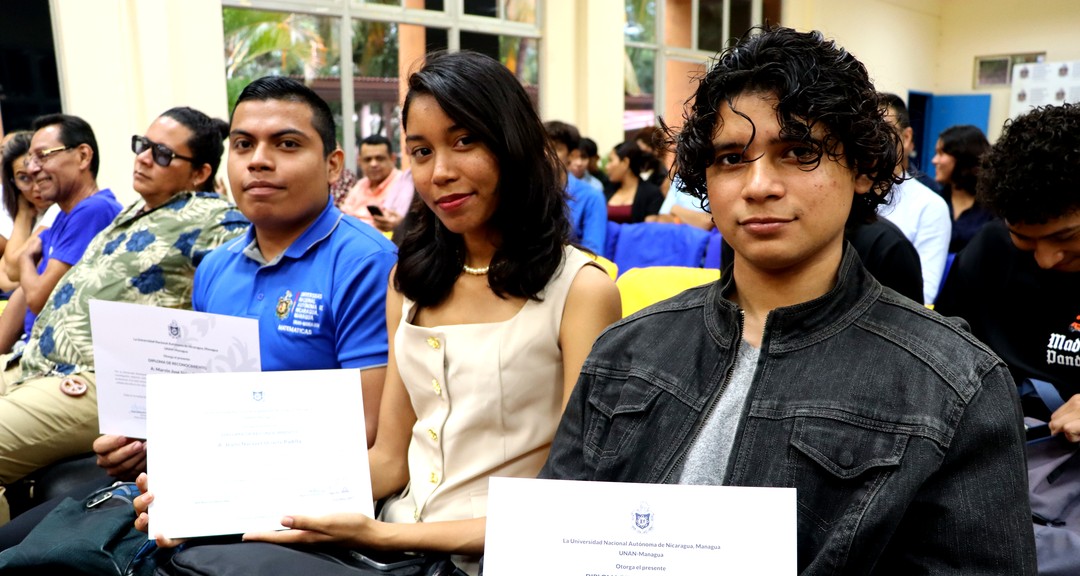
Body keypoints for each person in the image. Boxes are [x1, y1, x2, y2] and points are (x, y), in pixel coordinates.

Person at [540, 26, 1036, 573]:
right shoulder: (626, 352)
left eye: (799, 152)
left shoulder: (953, 387)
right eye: (731, 157)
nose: (758, 185)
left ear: (863, 169)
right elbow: (554, 541)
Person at [135, 51, 620, 576]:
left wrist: (385, 534)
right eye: (421, 150)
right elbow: (388, 460)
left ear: (514, 145)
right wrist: (212, 502)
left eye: (465, 142)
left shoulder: (582, 290)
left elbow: (569, 497)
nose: (441, 172)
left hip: (495, 555)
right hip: (391, 546)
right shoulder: (411, 282)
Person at [0, 107, 249, 526]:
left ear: (199, 173)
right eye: (143, 146)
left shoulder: (216, 219)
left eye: (163, 154)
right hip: (34, 364)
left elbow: (228, 323)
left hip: (101, 378)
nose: (144, 158)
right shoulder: (130, 213)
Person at [935, 103, 1080, 427]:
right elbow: (941, 349)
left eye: (1066, 237)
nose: (1045, 259)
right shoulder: (990, 250)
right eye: (1023, 239)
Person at [8, 115, 122, 350]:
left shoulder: (94, 210)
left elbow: (39, 299)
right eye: (30, 159)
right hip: (33, 351)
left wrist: (24, 257)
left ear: (83, 156)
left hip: (62, 361)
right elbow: (18, 280)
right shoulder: (63, 215)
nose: (32, 169)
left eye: (43, 155)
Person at [877, 93, 952, 304]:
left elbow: (922, 295)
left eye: (882, 131)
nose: (870, 141)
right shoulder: (844, 195)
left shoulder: (929, 206)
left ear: (907, 137)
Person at [0, 133, 60, 295]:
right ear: (12, 183)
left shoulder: (59, 209)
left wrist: (23, 216)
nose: (36, 187)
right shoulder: (29, 210)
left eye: (39, 174)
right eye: (24, 178)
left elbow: (12, 270)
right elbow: (2, 275)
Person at [544, 120, 606, 254]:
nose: (546, 154)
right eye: (542, 147)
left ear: (571, 155)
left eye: (555, 148)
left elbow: (593, 252)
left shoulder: (591, 196)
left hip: (573, 269)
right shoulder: (532, 192)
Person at [932, 124, 994, 253]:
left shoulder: (992, 208)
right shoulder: (934, 199)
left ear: (962, 157)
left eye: (941, 153)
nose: (934, 160)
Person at [340, 134, 415, 233]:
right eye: (368, 159)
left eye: (379, 158)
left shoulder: (405, 184)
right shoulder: (360, 185)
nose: (373, 164)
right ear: (359, 161)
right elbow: (343, 215)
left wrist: (398, 225)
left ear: (393, 159)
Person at [605, 141, 664, 224]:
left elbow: (649, 230)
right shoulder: (607, 191)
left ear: (625, 162)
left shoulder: (652, 194)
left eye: (611, 160)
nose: (607, 166)